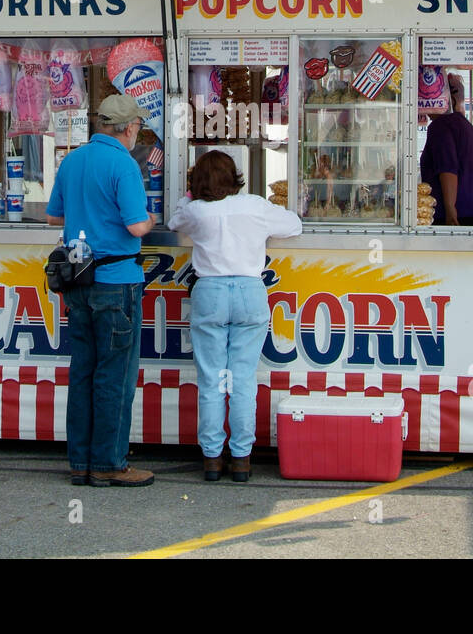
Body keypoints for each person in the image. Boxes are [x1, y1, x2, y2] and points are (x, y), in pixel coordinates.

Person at [168, 151, 302, 482]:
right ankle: (242, 459)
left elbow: (173, 222)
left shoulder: (196, 211)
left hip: (210, 293)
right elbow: (294, 224)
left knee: (212, 380)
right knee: (242, 379)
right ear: (235, 177)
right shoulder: (255, 205)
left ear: (196, 181)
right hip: (249, 292)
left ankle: (212, 459)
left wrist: (189, 193)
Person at [46, 94, 157, 488]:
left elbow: (53, 216)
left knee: (83, 372)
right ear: (128, 129)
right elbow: (136, 227)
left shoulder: (72, 160)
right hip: (116, 282)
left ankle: (80, 462)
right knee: (115, 377)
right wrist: (151, 218)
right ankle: (109, 463)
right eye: (137, 128)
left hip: (79, 281)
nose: (137, 134)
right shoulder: (124, 165)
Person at [420, 109, 473, 226]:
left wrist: (450, 208)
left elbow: (447, 169)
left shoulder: (440, 126)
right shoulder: (465, 125)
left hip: (452, 217)